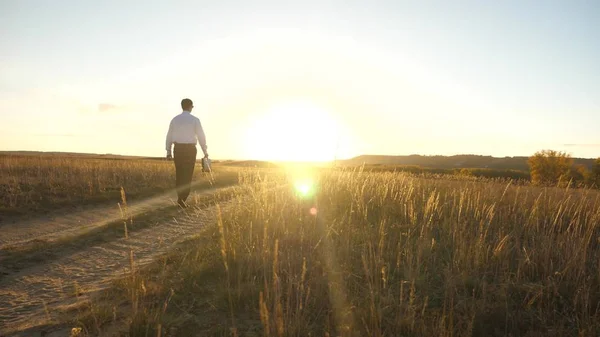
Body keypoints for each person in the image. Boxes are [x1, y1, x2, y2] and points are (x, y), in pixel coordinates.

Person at [165, 98, 208, 207]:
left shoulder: (174, 120)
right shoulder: (195, 120)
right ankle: (183, 199)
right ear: (190, 107)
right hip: (190, 150)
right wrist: (205, 151)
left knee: (179, 173)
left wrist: (168, 152)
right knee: (188, 174)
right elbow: (201, 136)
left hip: (178, 149)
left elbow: (169, 136)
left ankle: (180, 197)